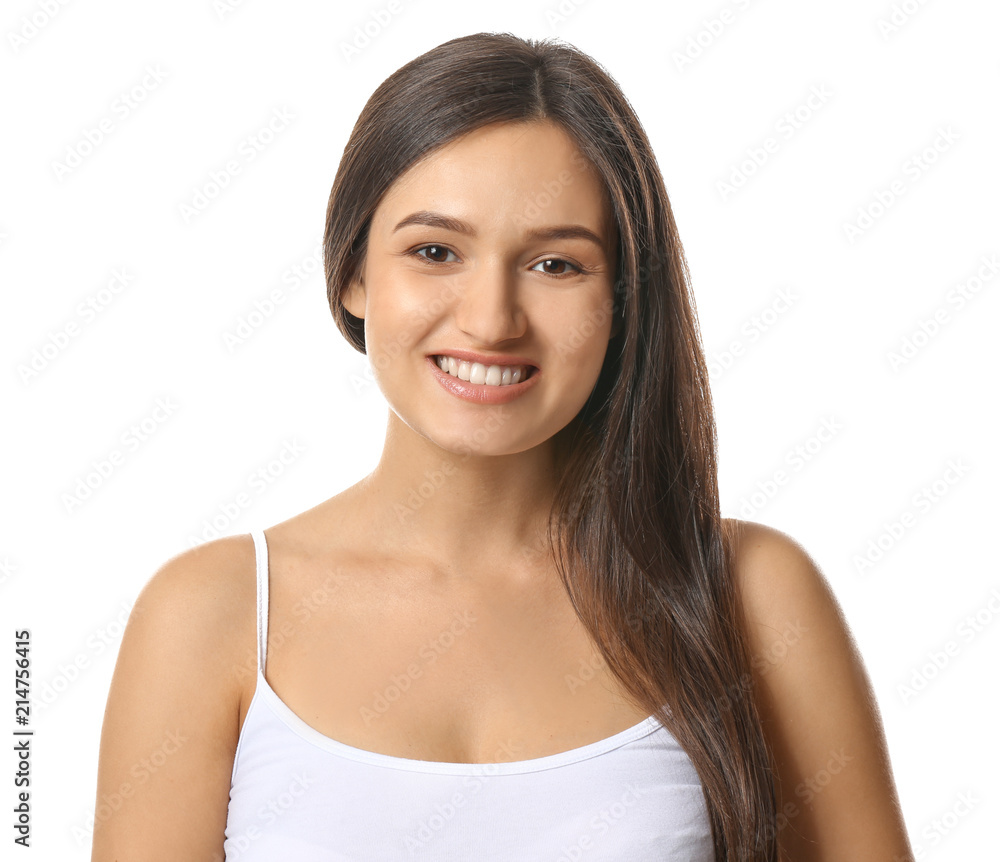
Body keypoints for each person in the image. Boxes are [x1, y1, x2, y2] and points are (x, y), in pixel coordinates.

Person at [91, 32, 914, 861]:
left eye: (557, 264)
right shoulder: (210, 617)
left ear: (625, 298)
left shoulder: (751, 598)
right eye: (435, 251)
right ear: (353, 274)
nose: (491, 319)